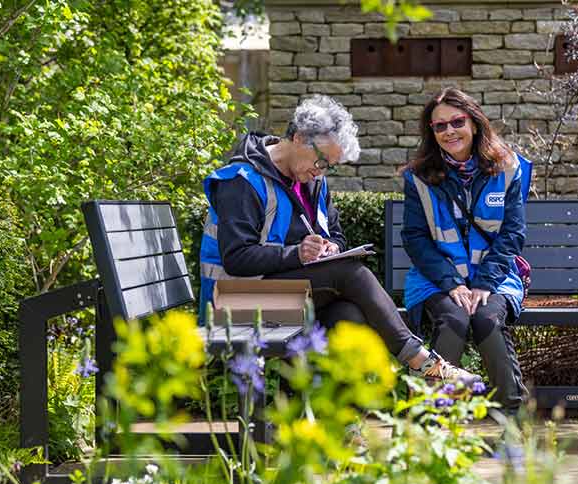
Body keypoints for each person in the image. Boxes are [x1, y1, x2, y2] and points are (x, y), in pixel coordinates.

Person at [199, 94, 477, 383]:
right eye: (321, 161)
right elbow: (236, 258)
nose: (320, 172)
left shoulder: (312, 181)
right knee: (350, 273)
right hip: (233, 306)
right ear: (299, 138)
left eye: (328, 166)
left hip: (282, 299)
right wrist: (297, 254)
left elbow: (336, 235)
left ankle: (342, 410)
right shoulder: (241, 181)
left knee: (349, 316)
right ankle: (422, 362)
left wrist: (332, 247)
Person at [400, 87, 532, 413]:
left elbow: (512, 234)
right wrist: (452, 283)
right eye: (440, 126)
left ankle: (512, 420)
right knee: (453, 320)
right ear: (432, 132)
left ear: (474, 123)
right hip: (437, 280)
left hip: (495, 278)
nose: (449, 131)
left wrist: (484, 283)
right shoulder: (418, 177)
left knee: (488, 320)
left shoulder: (508, 168)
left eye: (457, 122)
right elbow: (415, 238)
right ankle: (432, 420)